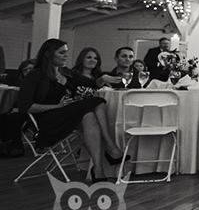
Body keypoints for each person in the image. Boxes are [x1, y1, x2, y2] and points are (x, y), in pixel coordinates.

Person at [17, 39, 125, 182]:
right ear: (49, 54)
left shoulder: (66, 72)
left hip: (65, 114)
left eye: (66, 53)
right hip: (47, 120)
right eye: (62, 53)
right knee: (97, 101)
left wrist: (103, 78)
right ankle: (111, 148)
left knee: (89, 115)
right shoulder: (35, 75)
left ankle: (98, 168)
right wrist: (56, 106)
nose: (66, 56)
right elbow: (25, 106)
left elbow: (92, 84)